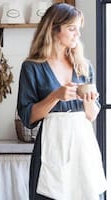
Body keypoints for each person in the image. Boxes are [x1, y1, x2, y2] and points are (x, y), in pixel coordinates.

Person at [17, 3, 107, 200]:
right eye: (71, 28)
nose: (77, 34)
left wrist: (89, 101)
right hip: (52, 146)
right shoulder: (32, 67)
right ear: (53, 29)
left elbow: (91, 115)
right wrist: (55, 96)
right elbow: (27, 117)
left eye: (78, 29)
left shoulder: (84, 66)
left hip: (83, 146)